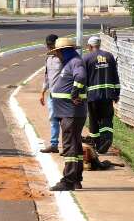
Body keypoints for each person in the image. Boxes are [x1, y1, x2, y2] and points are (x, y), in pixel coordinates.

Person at [48, 38, 87, 191]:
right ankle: (76, 178)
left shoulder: (75, 62)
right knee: (75, 146)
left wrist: (74, 92)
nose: (56, 56)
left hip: (71, 112)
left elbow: (81, 77)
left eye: (57, 52)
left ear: (63, 51)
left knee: (69, 146)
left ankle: (68, 180)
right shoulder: (70, 62)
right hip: (68, 112)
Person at [83, 36, 120, 154]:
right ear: (99, 44)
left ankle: (97, 143)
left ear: (89, 46)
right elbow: (115, 76)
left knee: (93, 119)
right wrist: (117, 93)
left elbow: (82, 78)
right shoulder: (109, 56)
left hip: (92, 96)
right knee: (107, 118)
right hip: (108, 95)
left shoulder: (87, 58)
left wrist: (81, 94)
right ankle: (107, 139)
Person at [39, 34, 62, 154]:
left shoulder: (63, 58)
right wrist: (42, 92)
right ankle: (54, 145)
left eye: (51, 45)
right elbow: (47, 77)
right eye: (48, 45)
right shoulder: (48, 59)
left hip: (64, 96)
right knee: (53, 119)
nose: (49, 47)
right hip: (52, 95)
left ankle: (69, 146)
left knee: (65, 121)